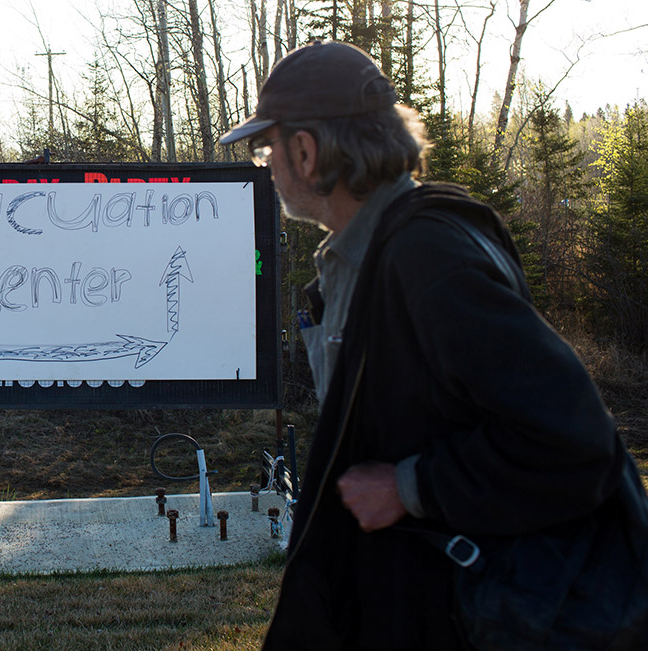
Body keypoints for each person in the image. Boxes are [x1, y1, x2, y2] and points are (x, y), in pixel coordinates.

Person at [219, 41, 630, 649]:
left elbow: (573, 441)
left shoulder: (427, 255)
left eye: (268, 147)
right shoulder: (368, 252)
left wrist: (408, 488)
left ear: (305, 151)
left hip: (461, 613)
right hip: (412, 601)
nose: (267, 165)